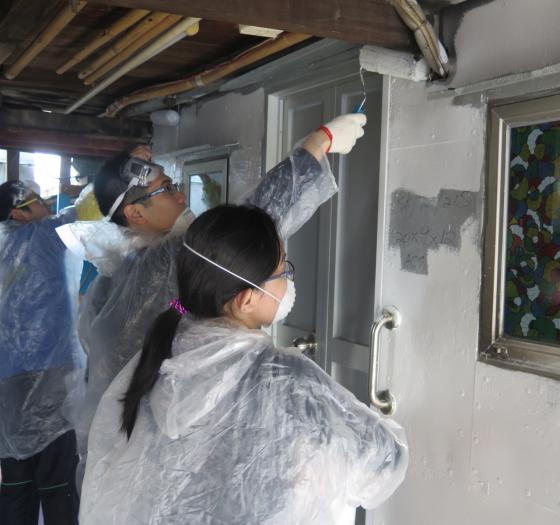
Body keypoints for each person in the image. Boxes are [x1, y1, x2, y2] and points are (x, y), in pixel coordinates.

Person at [55, 113, 367, 481]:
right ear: (135, 212)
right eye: (167, 188)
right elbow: (248, 229)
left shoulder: (119, 271)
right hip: (148, 465)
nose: (181, 193)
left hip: (119, 464)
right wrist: (318, 143)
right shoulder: (162, 263)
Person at [79, 205, 408, 525]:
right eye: (284, 271)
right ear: (247, 298)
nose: (288, 282)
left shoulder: (161, 350)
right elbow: (384, 462)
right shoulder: (282, 376)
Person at [0, 181, 84, 525]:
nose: (47, 205)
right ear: (19, 212)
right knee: (57, 483)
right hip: (49, 374)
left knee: (16, 480)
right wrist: (128, 166)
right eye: (38, 201)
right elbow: (94, 207)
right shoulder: (45, 237)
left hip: (5, 379)